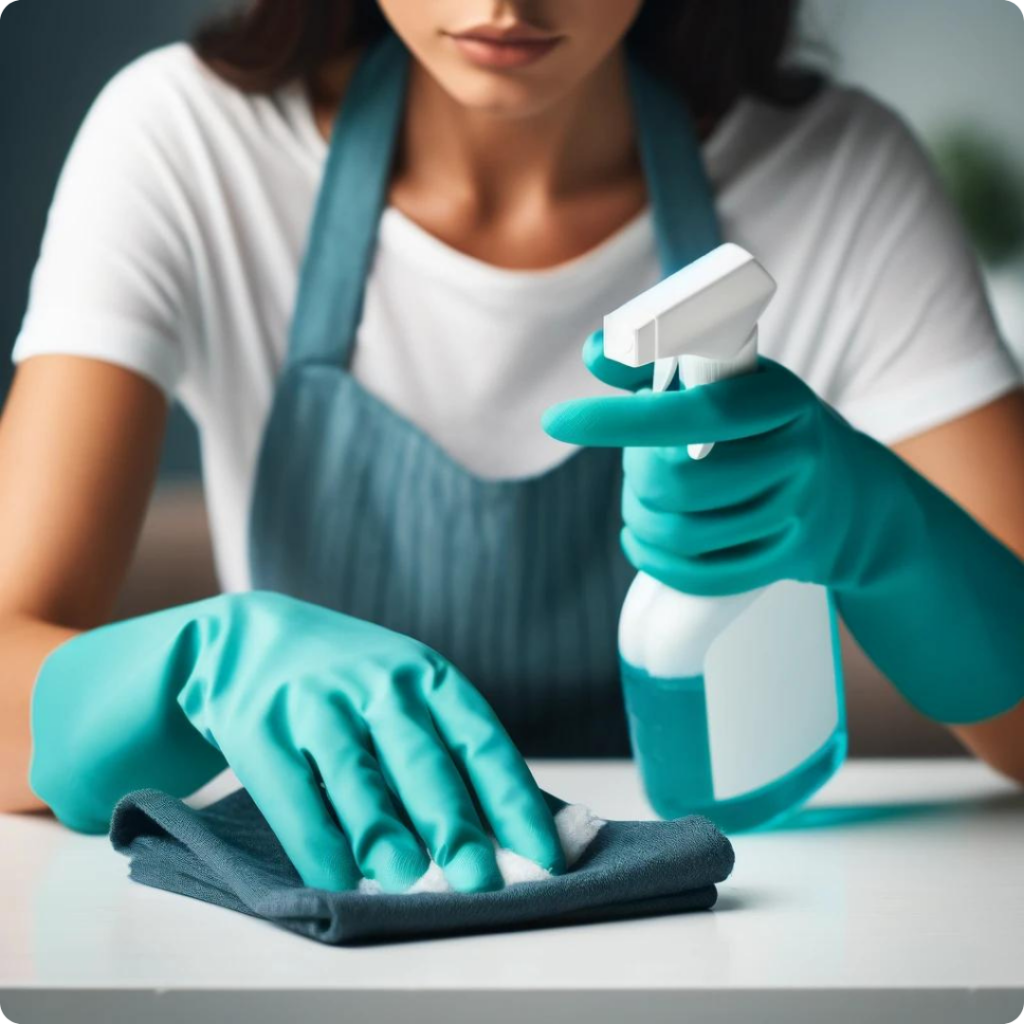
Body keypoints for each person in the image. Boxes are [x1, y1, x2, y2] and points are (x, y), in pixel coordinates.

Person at [1, 0, 1022, 894]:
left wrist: (888, 535)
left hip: (718, 920)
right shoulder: (185, 143)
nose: (502, 0)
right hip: (341, 915)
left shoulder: (839, 177)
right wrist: (186, 668)